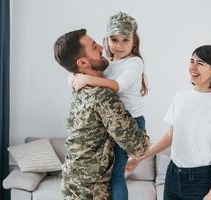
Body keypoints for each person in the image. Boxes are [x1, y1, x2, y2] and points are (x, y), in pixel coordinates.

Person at [126, 45, 211, 200]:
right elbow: (170, 137)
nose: (193, 67)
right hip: (173, 175)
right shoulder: (181, 97)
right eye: (192, 61)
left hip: (200, 180)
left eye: (200, 63)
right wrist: (140, 158)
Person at [53, 28, 149, 200]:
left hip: (71, 184)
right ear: (82, 63)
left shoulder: (79, 86)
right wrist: (147, 139)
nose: (102, 47)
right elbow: (138, 148)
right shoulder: (102, 96)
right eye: (93, 46)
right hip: (91, 191)